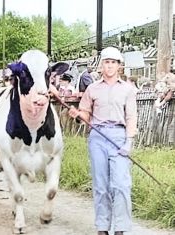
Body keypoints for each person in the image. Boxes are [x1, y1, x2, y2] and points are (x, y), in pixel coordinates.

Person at [50, 47, 137, 235]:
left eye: (114, 62)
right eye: (107, 62)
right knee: (101, 185)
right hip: (98, 137)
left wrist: (128, 142)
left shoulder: (128, 89)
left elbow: (131, 118)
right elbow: (86, 115)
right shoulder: (92, 88)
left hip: (119, 137)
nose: (110, 66)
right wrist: (77, 114)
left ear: (119, 66)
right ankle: (102, 227)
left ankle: (121, 228)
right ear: (101, 65)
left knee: (121, 184)